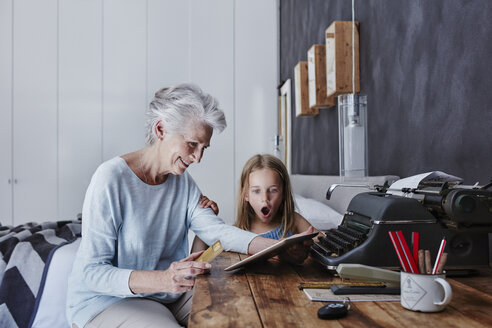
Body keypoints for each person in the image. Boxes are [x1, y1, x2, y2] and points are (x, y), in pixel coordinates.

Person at [66, 84, 313, 328]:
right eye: (192, 144)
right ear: (161, 129)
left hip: (167, 294)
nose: (198, 158)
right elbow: (93, 273)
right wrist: (163, 279)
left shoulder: (183, 183)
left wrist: (278, 247)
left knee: (241, 308)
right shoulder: (110, 178)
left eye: (203, 148)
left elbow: (217, 232)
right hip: (107, 301)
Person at [193, 154, 316, 259]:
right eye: (256, 191)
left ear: (284, 193)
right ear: (246, 195)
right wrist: (207, 220)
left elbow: (326, 248)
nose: (265, 198)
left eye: (273, 190)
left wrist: (308, 250)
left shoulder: (293, 221)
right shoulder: (234, 235)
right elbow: (199, 260)